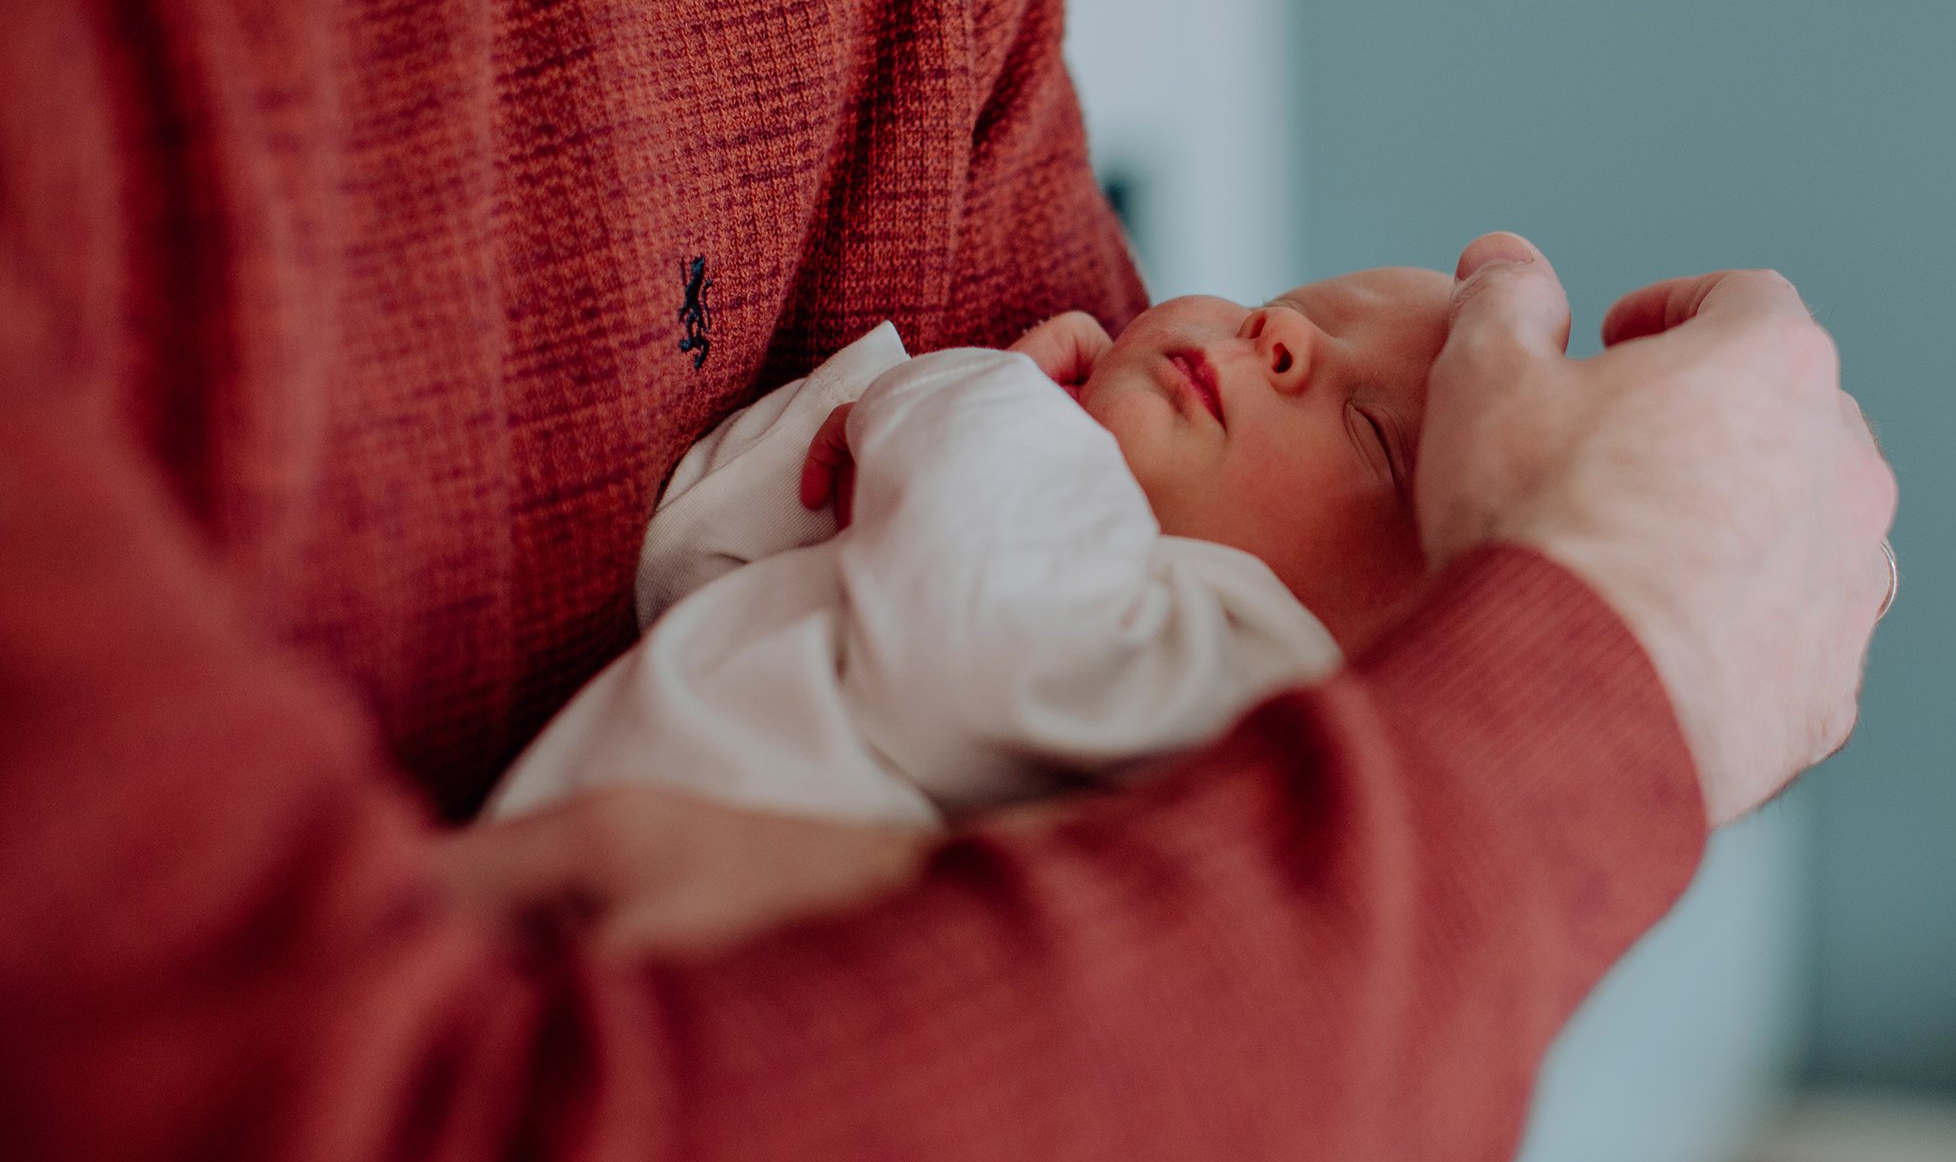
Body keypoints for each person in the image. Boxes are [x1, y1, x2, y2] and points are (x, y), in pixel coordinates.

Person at [0, 0, 1896, 1162]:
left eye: (1379, 443)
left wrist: (935, 902)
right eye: (1290, 317)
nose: (1259, 341)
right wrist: (1623, 658)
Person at [490, 268, 1451, 829]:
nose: (1279, 333)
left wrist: (996, 401)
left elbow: (979, 641)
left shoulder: (1247, 676)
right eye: (1277, 302)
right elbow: (688, 551)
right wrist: (877, 423)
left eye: (1368, 427)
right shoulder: (1015, 520)